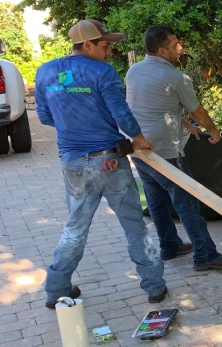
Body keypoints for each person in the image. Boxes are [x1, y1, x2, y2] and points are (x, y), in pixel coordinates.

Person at [35, 19, 168, 308]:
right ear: (87, 45)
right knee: (134, 227)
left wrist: (74, 120)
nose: (109, 53)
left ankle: (55, 290)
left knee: (75, 229)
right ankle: (154, 287)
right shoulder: (102, 72)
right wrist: (140, 139)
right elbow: (121, 114)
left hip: (73, 163)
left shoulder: (45, 71)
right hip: (110, 160)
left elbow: (45, 118)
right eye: (105, 46)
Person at [126, 25, 222, 271]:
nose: (180, 48)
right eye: (175, 44)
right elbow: (198, 110)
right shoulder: (176, 77)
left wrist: (185, 124)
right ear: (163, 51)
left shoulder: (134, 71)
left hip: (140, 148)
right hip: (167, 152)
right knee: (186, 202)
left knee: (156, 199)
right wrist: (214, 131)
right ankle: (205, 254)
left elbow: (154, 105)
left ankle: (170, 245)